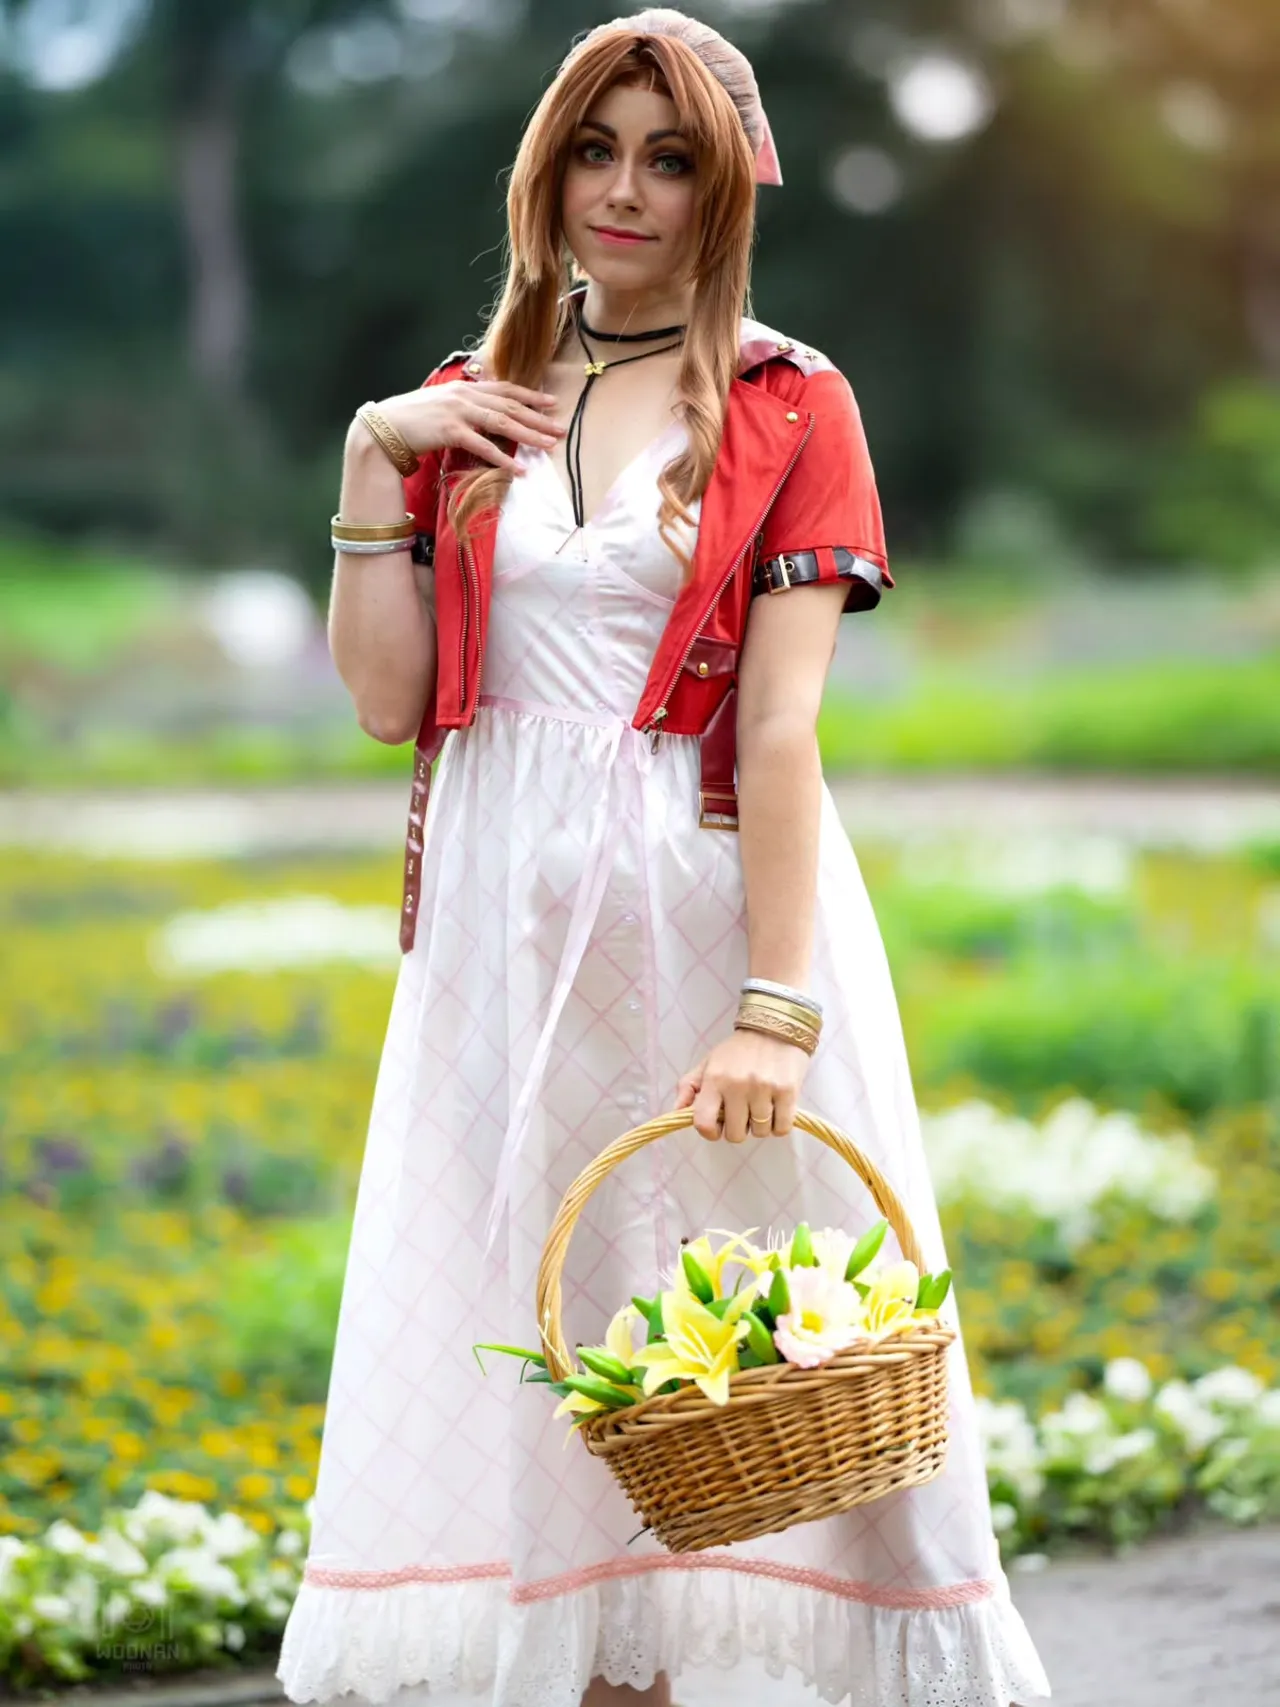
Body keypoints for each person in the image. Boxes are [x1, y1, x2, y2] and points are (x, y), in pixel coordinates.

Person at [276, 10, 1050, 1707]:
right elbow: (390, 698)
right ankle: (600, 1678)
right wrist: (367, 469)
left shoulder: (790, 399)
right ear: (546, 171)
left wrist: (777, 1008)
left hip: (705, 912)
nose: (626, 191)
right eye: (597, 150)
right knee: (547, 1326)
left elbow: (779, 729)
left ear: (724, 191)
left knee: (750, 1344)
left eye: (672, 156)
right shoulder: (460, 409)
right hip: (495, 925)